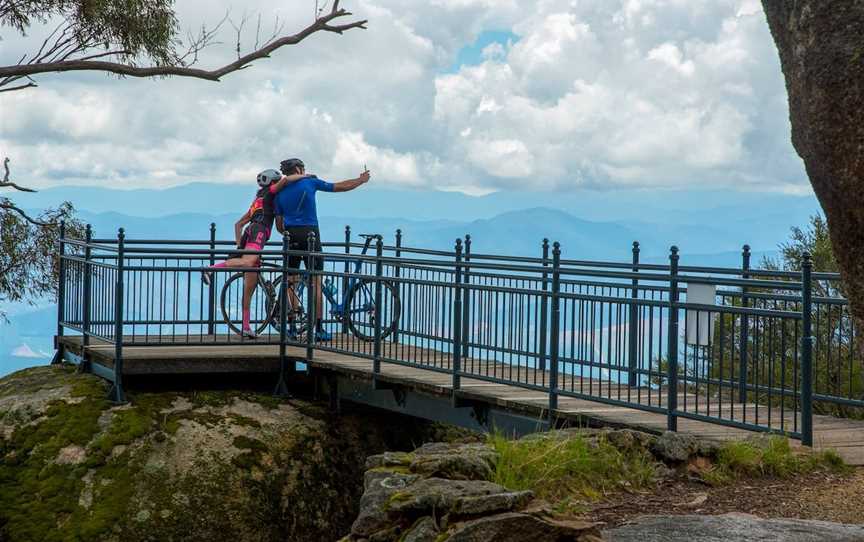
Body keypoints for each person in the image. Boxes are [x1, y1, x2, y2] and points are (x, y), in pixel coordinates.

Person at [203, 168, 311, 338]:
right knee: (247, 263)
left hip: (249, 232)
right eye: (277, 181)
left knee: (250, 286)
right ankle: (211, 269)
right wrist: (305, 176)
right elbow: (285, 182)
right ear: (273, 183)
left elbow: (238, 225)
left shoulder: (258, 200)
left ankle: (246, 327)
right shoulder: (270, 194)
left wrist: (240, 247)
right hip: (259, 232)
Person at [274, 158, 371, 341]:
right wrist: (360, 180)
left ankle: (293, 327)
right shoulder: (310, 182)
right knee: (316, 282)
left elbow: (279, 225)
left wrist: (289, 232)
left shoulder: (279, 192)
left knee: (291, 282)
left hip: (291, 235)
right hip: (311, 232)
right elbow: (339, 187)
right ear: (298, 168)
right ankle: (318, 328)